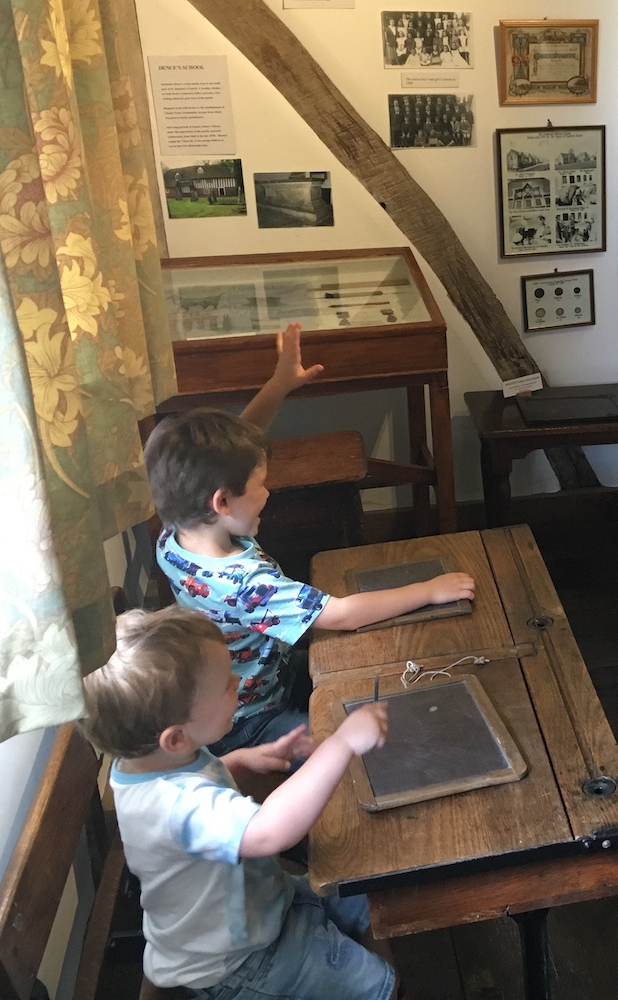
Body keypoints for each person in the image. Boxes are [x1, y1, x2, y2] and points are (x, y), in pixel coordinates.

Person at [145, 322, 475, 755]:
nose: (268, 492)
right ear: (222, 502)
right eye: (260, 485)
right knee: (360, 753)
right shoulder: (248, 585)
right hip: (251, 719)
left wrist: (279, 385)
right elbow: (343, 614)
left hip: (258, 678)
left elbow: (232, 452)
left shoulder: (176, 533)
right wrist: (429, 590)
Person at [79, 606, 397, 999]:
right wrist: (342, 744)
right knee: (379, 986)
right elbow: (268, 834)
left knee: (370, 901)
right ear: (175, 737)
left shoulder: (144, 765)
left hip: (259, 903)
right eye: (226, 687)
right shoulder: (176, 805)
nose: (236, 681)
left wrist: (241, 761)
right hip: (240, 961)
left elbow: (193, 791)